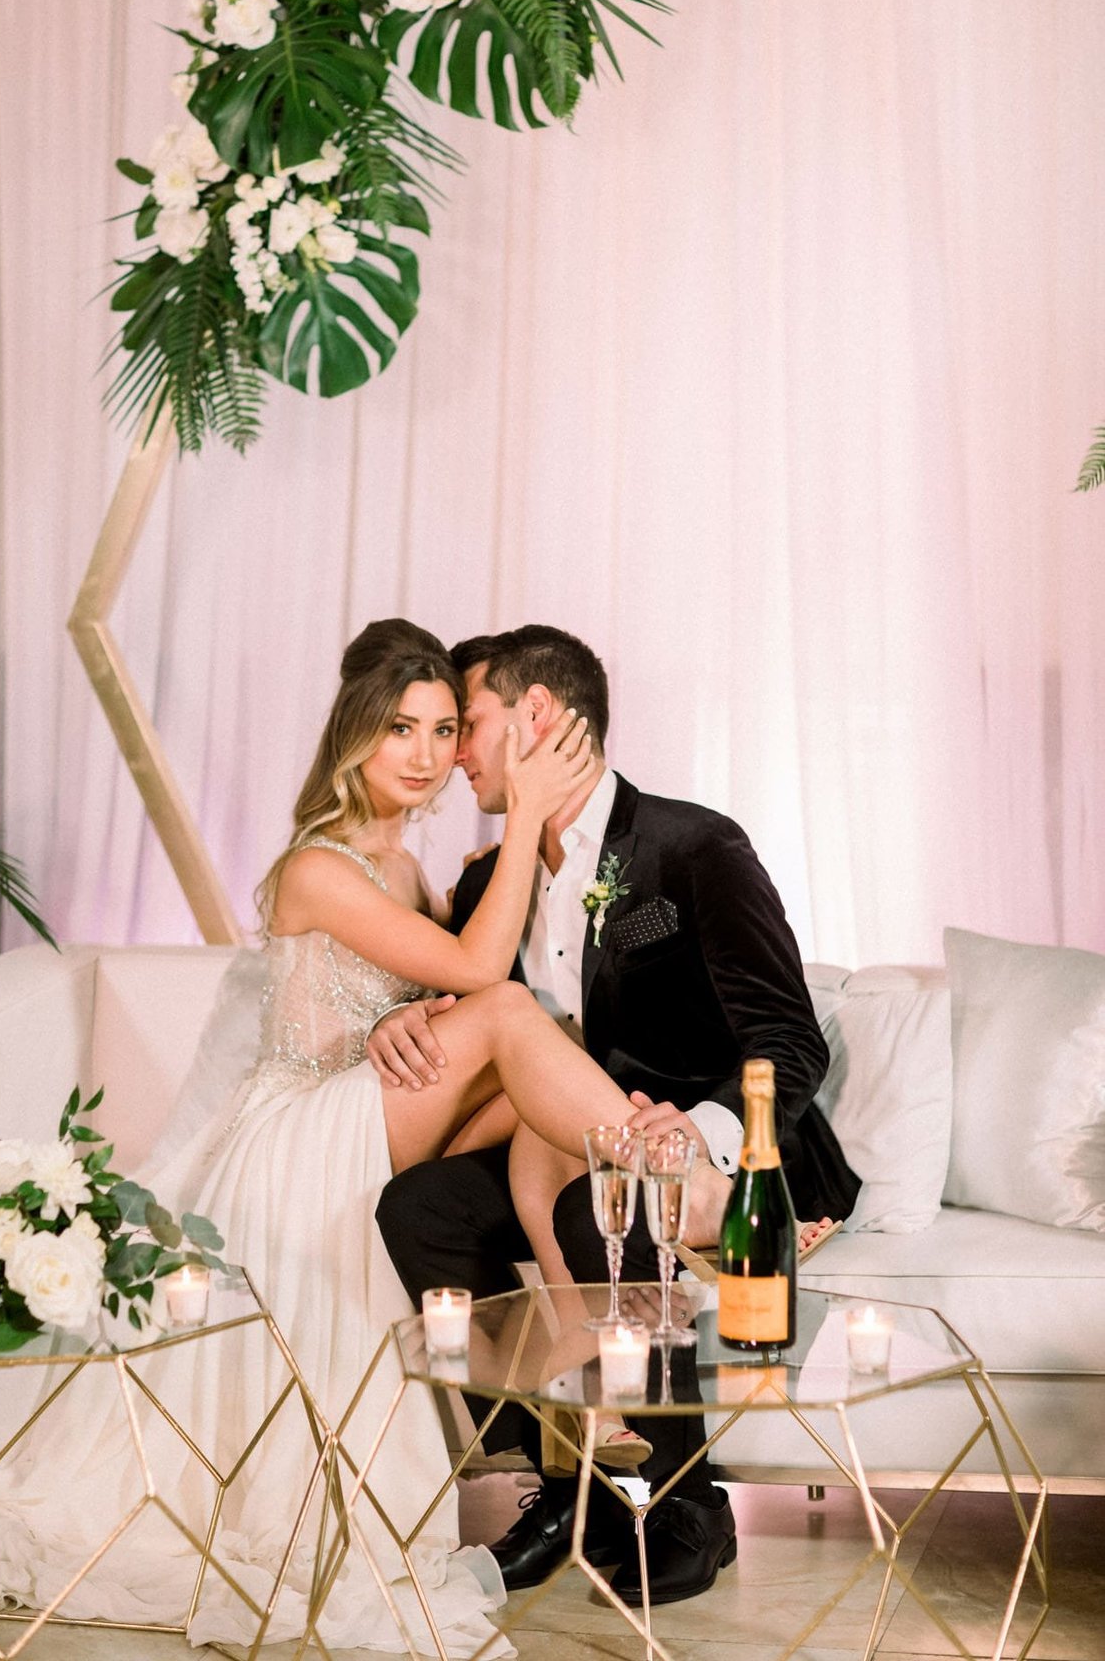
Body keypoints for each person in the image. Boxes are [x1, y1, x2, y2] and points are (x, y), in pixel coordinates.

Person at [0, 618, 665, 1655]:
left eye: (447, 731)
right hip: (295, 1137)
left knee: (530, 1044)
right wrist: (527, 818)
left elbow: (434, 990)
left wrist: (410, 1012)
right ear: (356, 732)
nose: (429, 755)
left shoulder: (408, 873)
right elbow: (478, 980)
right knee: (511, 1021)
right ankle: (679, 1176)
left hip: (358, 1110)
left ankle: (617, 1228)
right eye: (403, 728)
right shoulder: (317, 865)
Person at [374, 624, 861, 1610]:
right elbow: (458, 1009)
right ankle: (559, 1491)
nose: (456, 753)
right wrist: (396, 1022)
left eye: (469, 724)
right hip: (555, 1155)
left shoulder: (694, 847)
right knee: (417, 1208)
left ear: (537, 716)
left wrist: (706, 1132)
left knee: (599, 1202)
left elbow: (788, 1040)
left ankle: (689, 1503)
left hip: (706, 1159)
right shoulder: (484, 884)